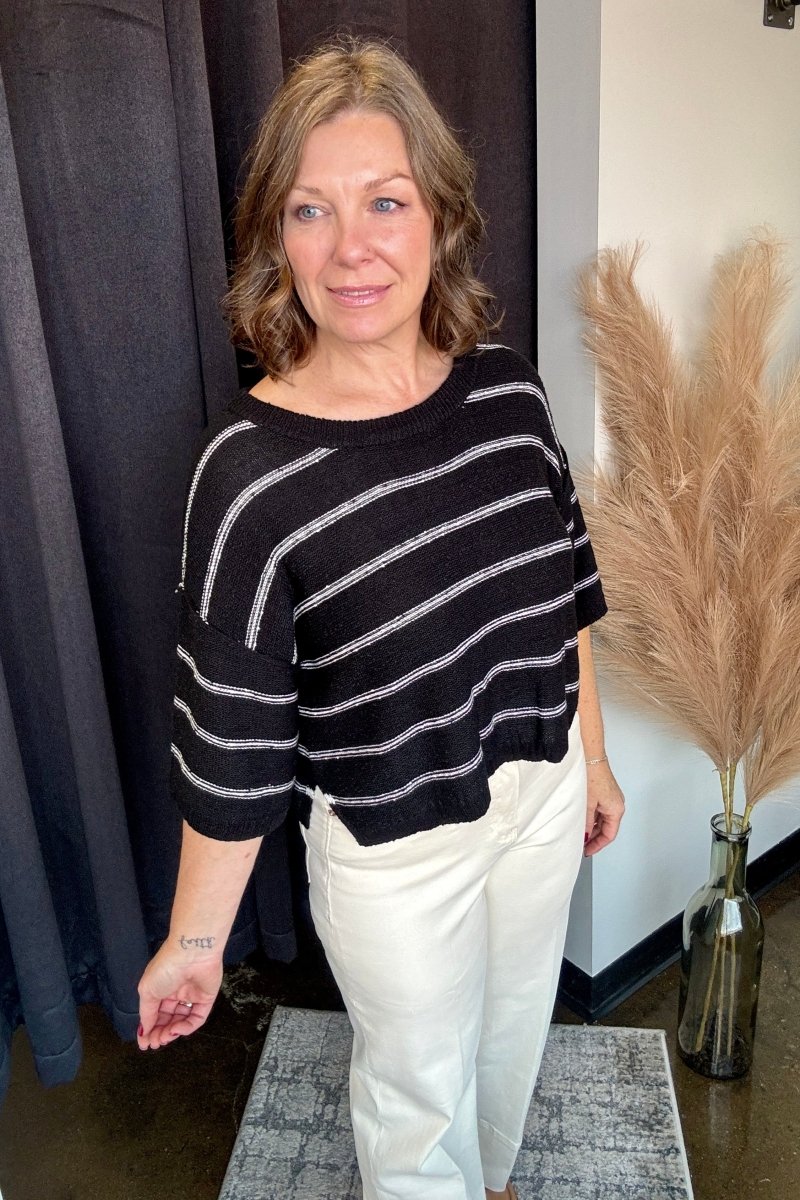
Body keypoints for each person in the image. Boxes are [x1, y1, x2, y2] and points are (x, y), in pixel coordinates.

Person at [137, 36, 625, 1200]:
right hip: (395, 852)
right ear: (277, 239)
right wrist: (196, 944)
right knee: (414, 1095)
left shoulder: (507, 392)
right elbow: (231, 751)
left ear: (438, 220)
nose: (350, 246)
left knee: (513, 1032)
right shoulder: (248, 476)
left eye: (385, 202)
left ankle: (493, 1183)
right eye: (311, 209)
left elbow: (566, 588)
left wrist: (592, 759)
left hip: (540, 794)